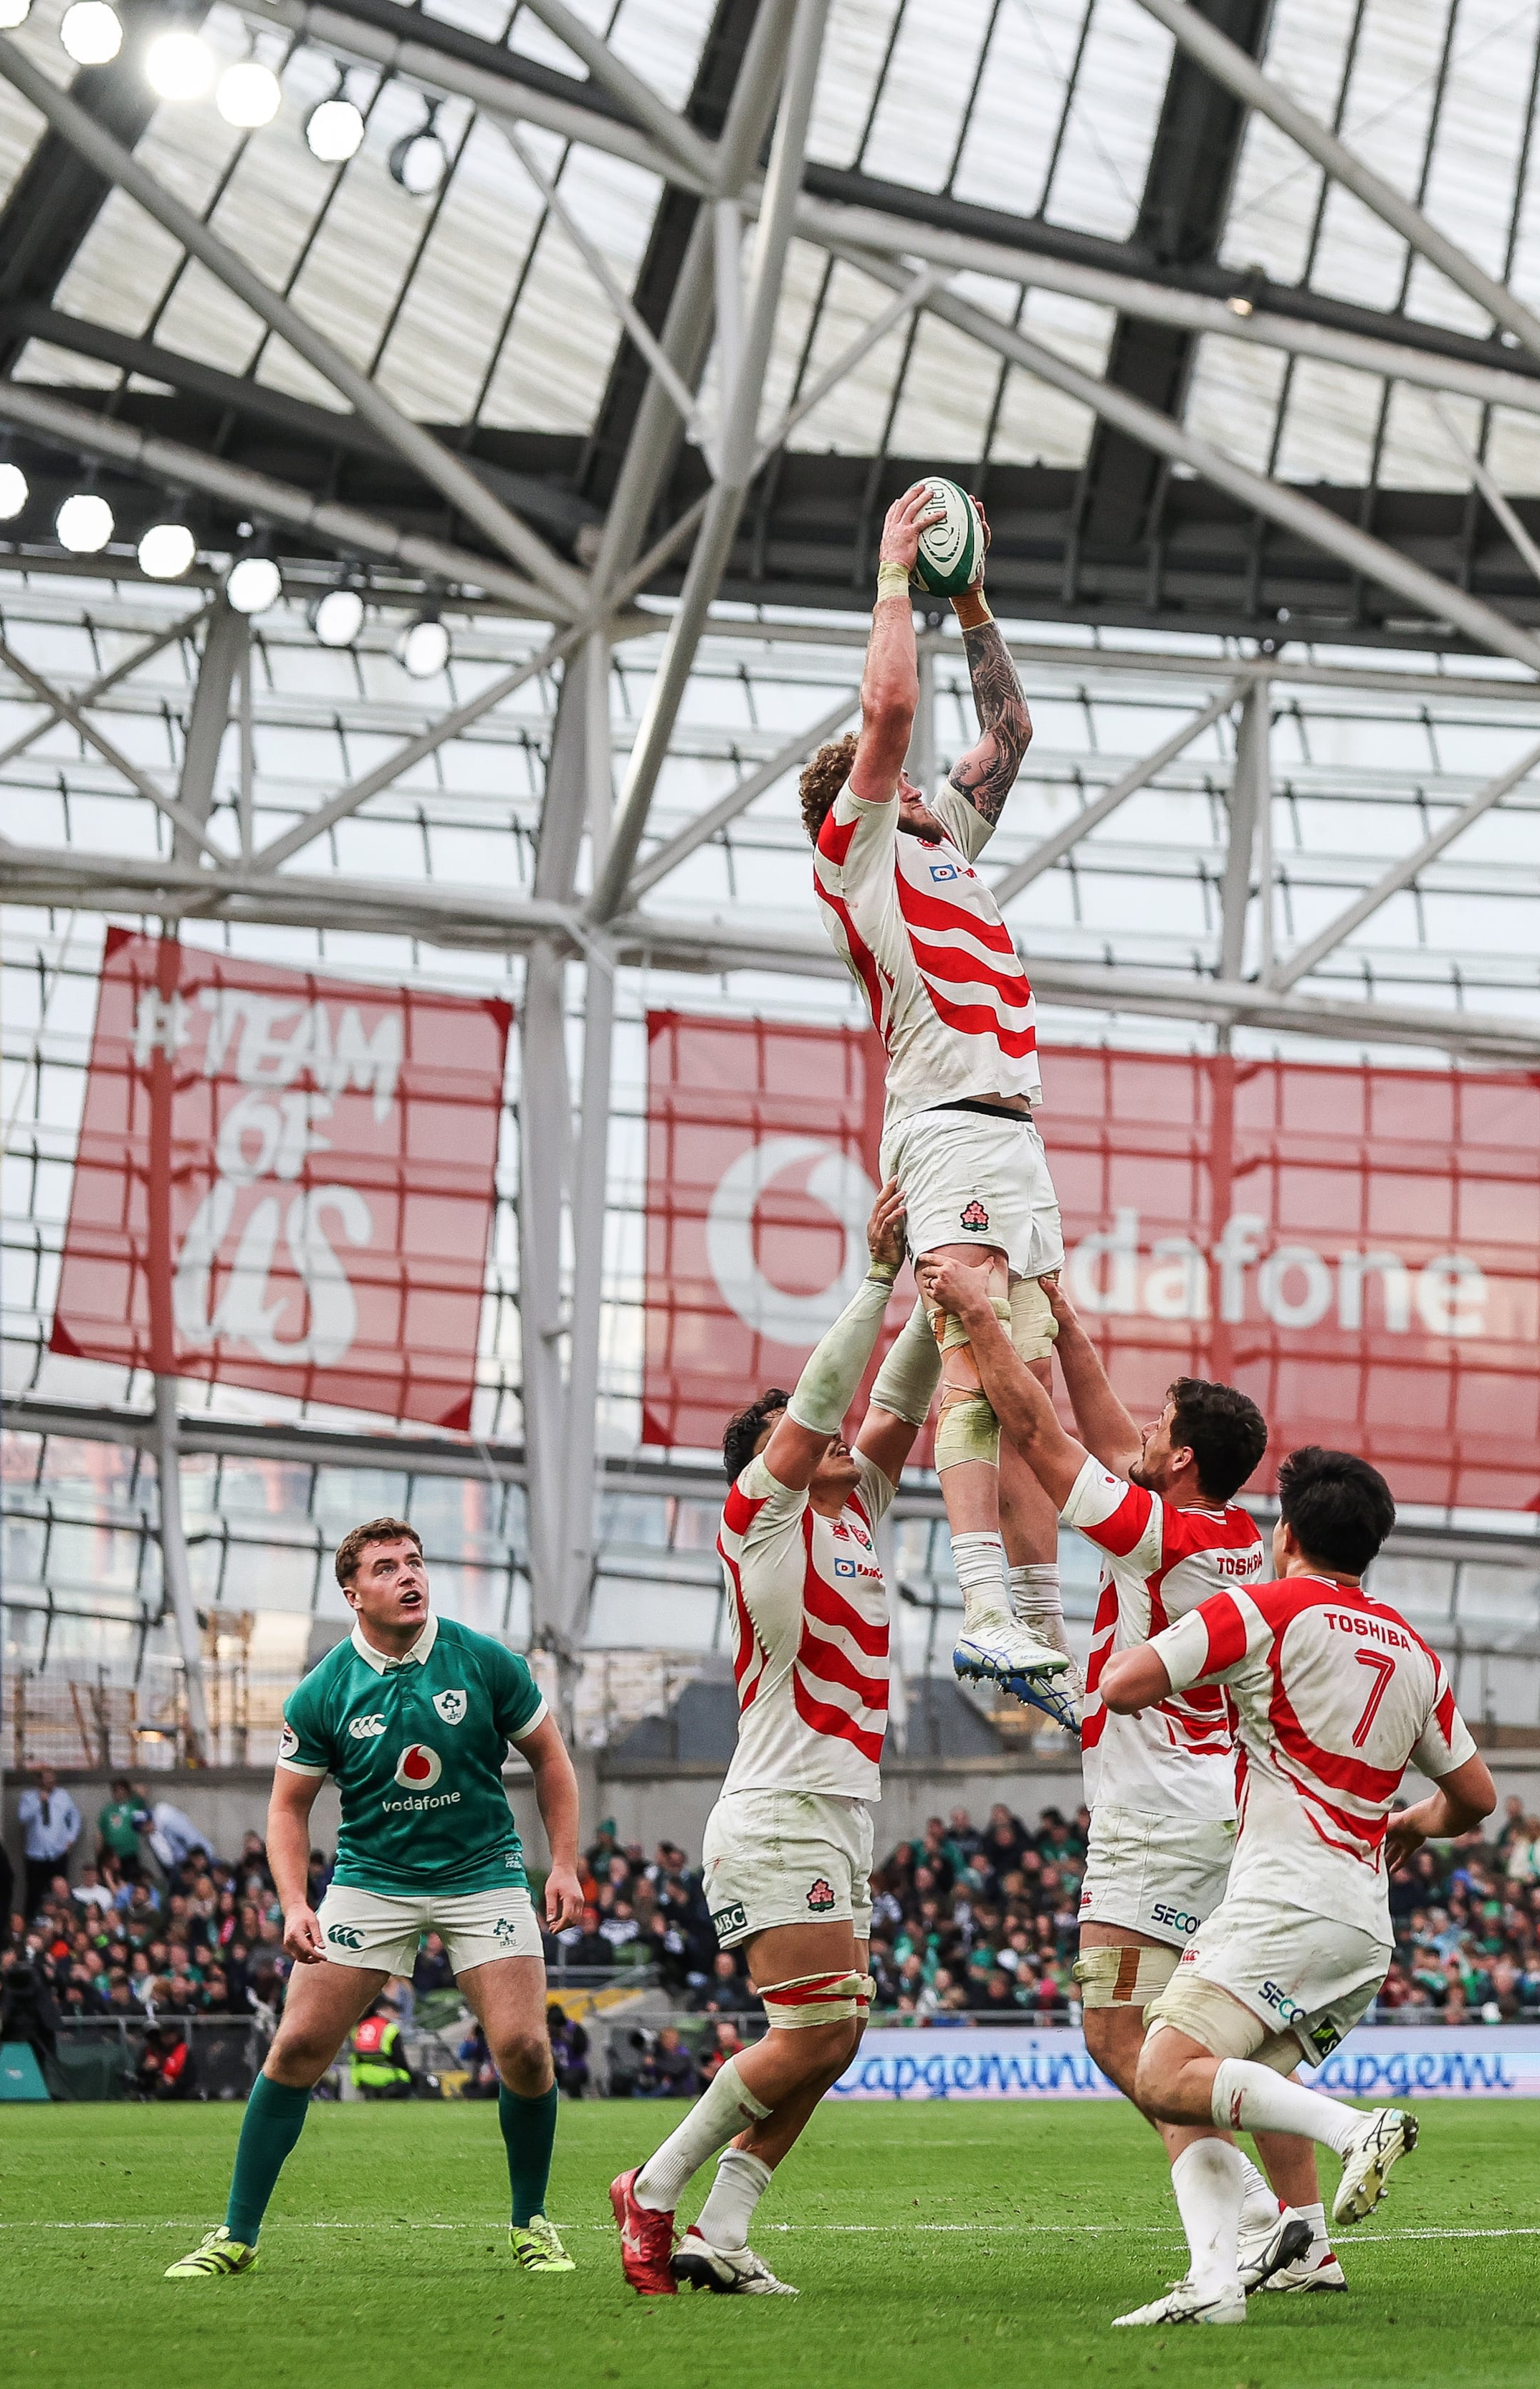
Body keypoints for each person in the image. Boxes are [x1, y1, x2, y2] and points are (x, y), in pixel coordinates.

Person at [927, 1259, 1338, 2295]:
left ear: (1186, 1458)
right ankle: (1306, 2234)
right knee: (1236, 2032)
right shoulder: (1227, 1534)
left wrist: (979, 1317)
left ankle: (1253, 2214)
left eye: (1162, 1430)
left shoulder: (1160, 1534)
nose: (1141, 1437)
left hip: (1153, 1817)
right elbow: (1112, 1438)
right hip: (1218, 1807)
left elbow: (1046, 1442)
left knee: (1122, 2034)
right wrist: (1064, 1323)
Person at [1094, 1447, 1499, 2327]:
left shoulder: (1265, 1608)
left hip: (1286, 1897)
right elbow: (1475, 1798)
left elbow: (1123, 1687)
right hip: (1361, 1924)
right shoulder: (1415, 1653)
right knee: (1206, 2085)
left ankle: (1354, 2129)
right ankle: (1220, 2283)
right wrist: (1406, 1824)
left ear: (1287, 1536)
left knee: (1161, 2070)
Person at [612, 1188, 923, 2298]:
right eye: (816, 1432)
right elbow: (831, 1404)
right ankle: (651, 2189)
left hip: (838, 1814)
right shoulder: (763, 1514)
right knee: (808, 2034)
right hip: (779, 1808)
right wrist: (881, 1277)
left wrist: (954, 1284)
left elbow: (897, 1400)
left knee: (836, 2041)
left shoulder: (849, 1512)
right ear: (776, 1457)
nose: (846, 1437)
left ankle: (724, 2234)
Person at [800, 485, 1064, 1720]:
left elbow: (1009, 726)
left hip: (1011, 1130)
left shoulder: (940, 839)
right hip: (950, 1121)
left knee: (1026, 1364)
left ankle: (1036, 1620)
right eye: (893, 778)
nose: (920, 781)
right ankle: (982, 1612)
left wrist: (969, 598)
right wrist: (897, 568)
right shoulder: (859, 853)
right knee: (973, 1355)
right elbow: (891, 706)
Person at [165, 1517, 587, 2280]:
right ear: (354, 1593)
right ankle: (235, 2234)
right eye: (388, 1567)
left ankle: (531, 2224)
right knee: (295, 2047)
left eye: (415, 1562)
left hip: (483, 1875)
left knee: (525, 2051)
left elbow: (550, 1761)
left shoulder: (484, 1661)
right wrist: (296, 1904)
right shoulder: (323, 1689)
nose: (409, 1575)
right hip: (371, 1883)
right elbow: (287, 1810)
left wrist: (562, 1865)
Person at [16, 1768, 80, 1917]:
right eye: (46, 1779)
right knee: (35, 1892)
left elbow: (75, 1817)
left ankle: (63, 1920)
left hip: (58, 1852)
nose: (50, 1783)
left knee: (60, 1891)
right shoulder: (28, 1797)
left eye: (52, 1779)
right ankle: (33, 1923)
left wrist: (71, 1838)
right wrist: (40, 1802)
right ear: (38, 1781)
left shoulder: (63, 1795)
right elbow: (23, 1818)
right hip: (36, 1854)